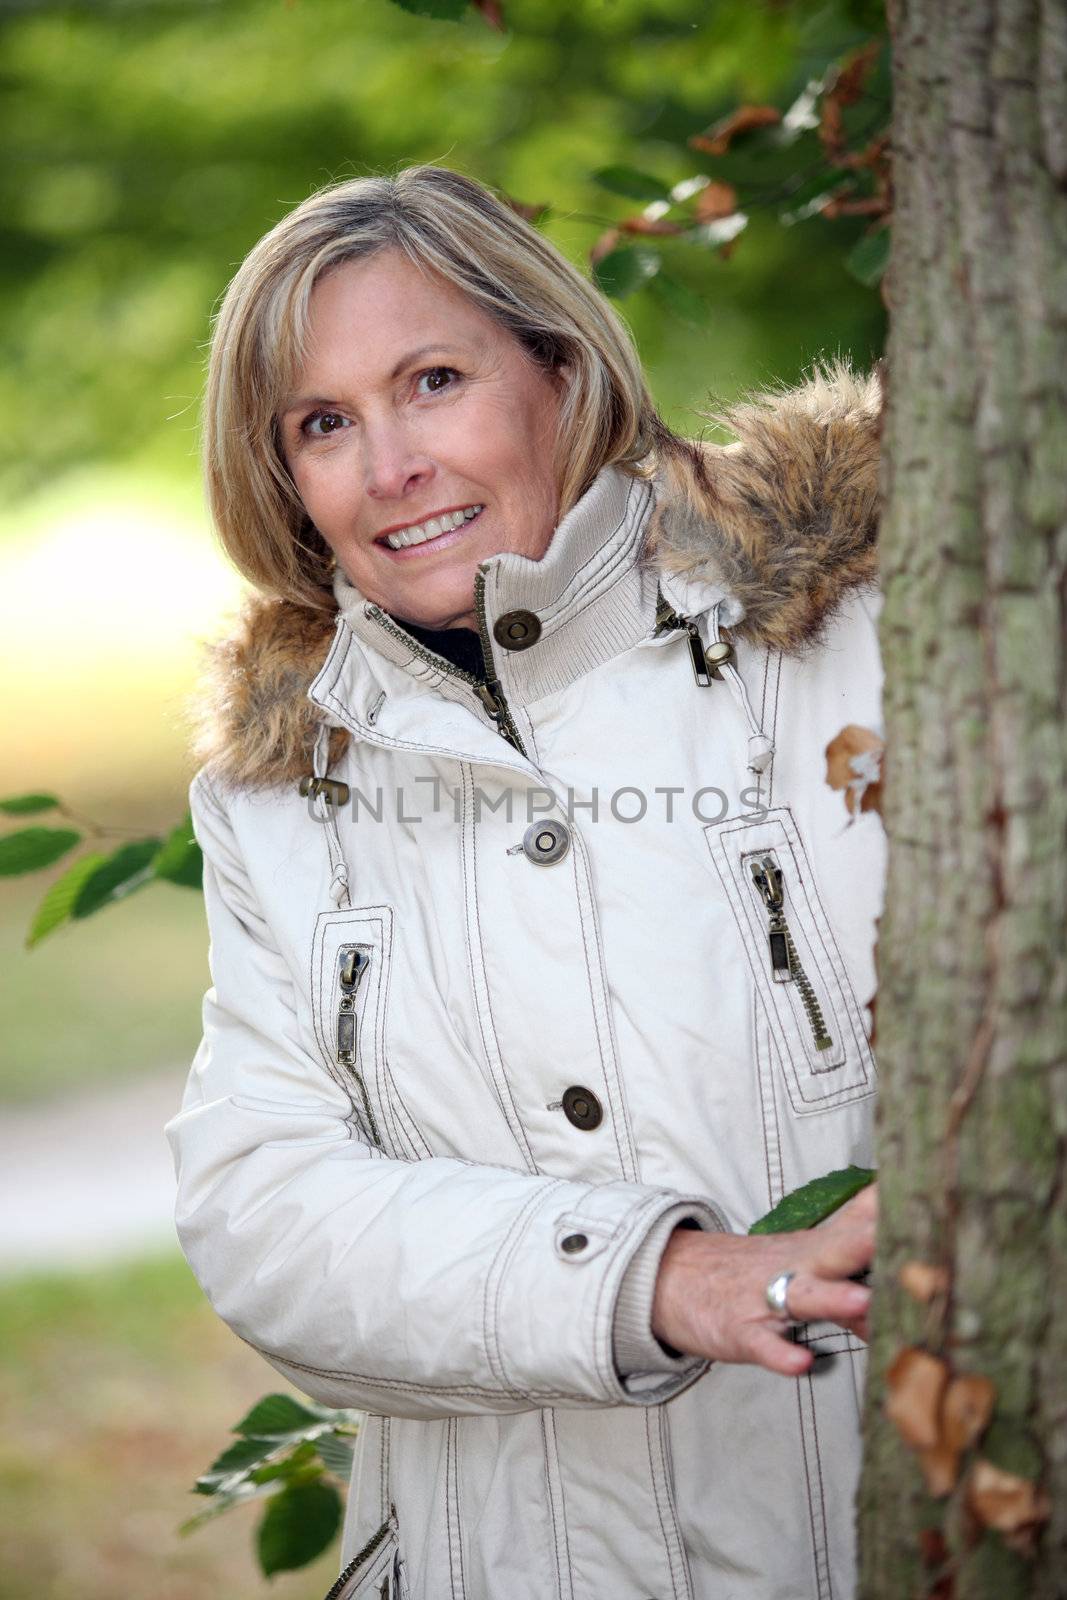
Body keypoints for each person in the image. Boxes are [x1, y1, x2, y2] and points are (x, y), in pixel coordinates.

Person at [165, 164, 885, 1600]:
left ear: (559, 367)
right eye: (324, 424)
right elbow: (264, 1209)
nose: (391, 467)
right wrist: (650, 1281)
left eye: (433, 380)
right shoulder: (280, 796)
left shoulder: (853, 646)